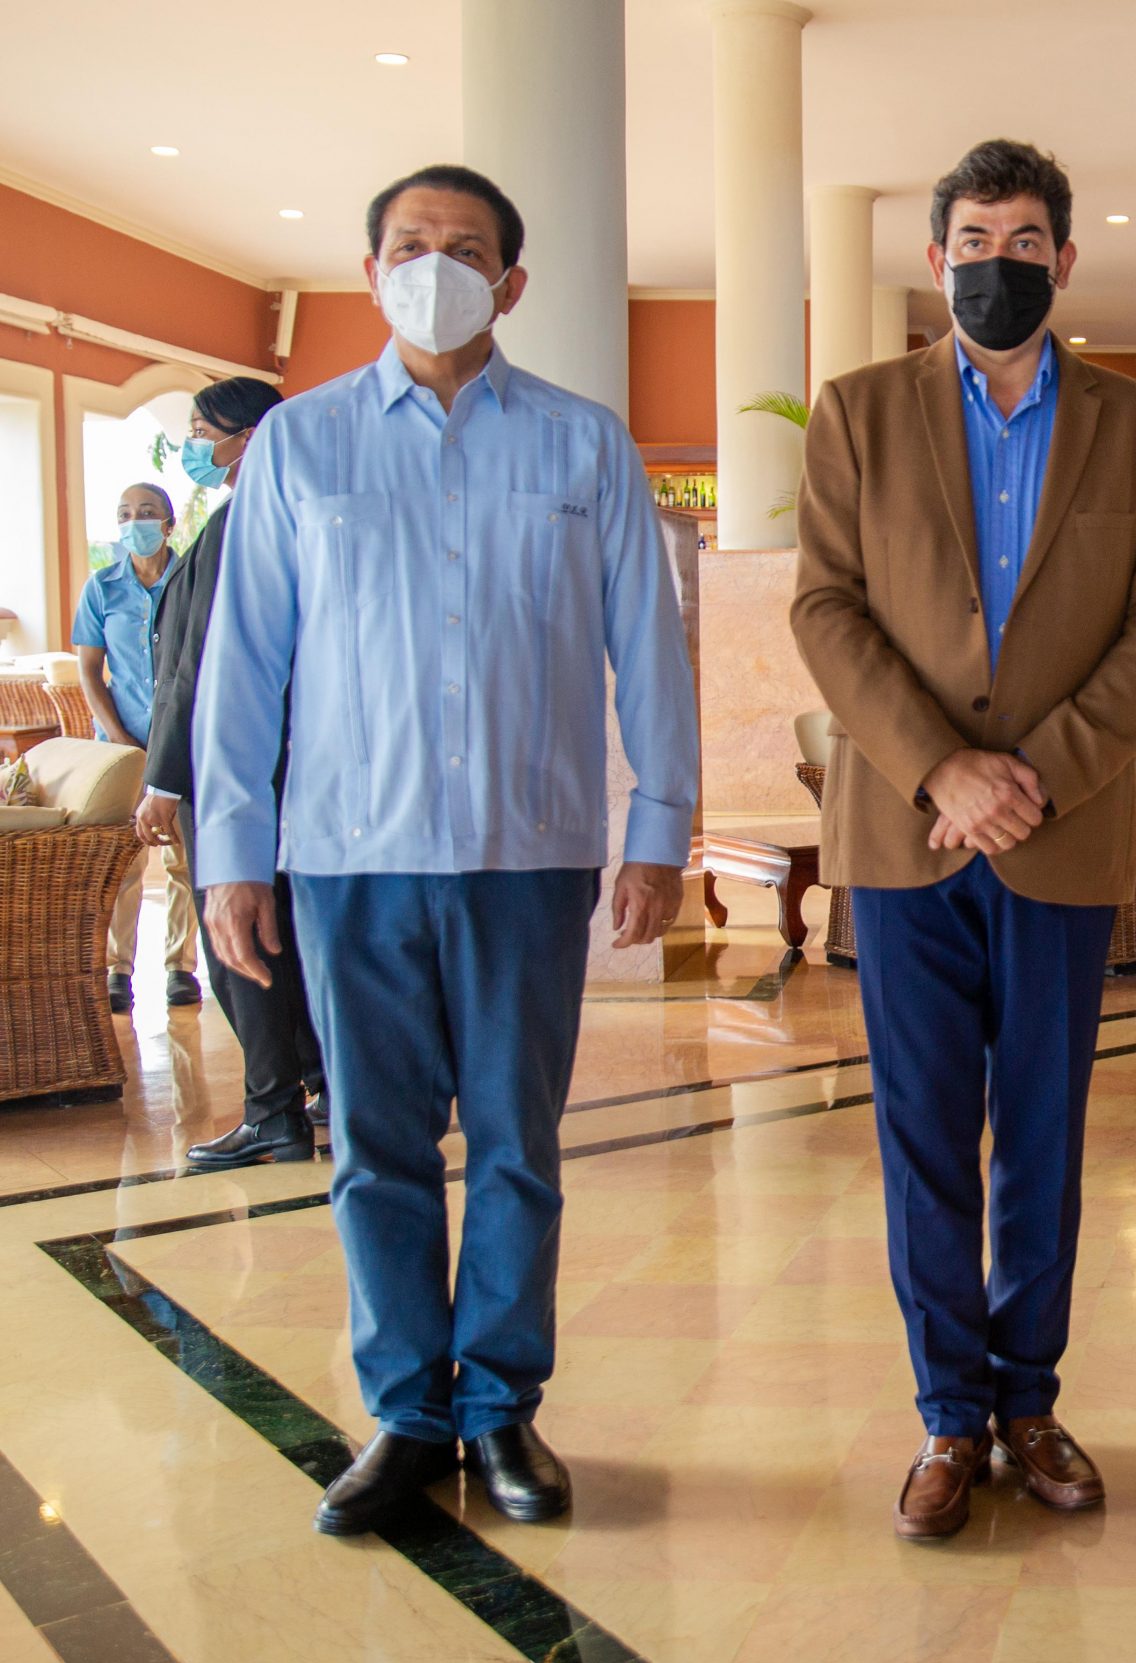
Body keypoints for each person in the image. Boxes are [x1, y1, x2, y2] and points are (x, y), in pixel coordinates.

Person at [193, 163, 699, 1537]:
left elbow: (647, 648)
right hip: (349, 854)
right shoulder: (299, 446)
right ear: (372, 273)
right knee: (377, 1143)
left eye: (465, 249)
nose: (436, 267)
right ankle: (409, 1412)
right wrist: (231, 851)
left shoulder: (584, 444)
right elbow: (244, 663)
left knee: (519, 1143)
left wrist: (659, 827)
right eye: (411, 245)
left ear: (510, 284)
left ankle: (501, 1405)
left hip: (529, 852)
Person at [790, 139, 1136, 1542]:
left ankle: (1030, 1399)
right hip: (908, 838)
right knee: (922, 1138)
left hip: (1059, 838)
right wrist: (941, 769)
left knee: (1041, 1133)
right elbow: (826, 608)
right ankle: (947, 1417)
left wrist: (1035, 778)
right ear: (937, 257)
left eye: (1025, 241)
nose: (998, 263)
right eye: (975, 239)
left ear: (1064, 260)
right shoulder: (858, 413)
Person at [135, 378, 333, 1166]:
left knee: (238, 943)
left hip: (229, 767)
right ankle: (321, 1084)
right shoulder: (280, 516)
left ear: (249, 437)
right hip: (275, 765)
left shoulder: (240, 524)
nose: (190, 445)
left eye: (200, 430)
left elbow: (201, 663)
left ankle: (272, 1108)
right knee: (277, 934)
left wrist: (164, 779)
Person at [73, 482, 201, 1013]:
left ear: (168, 524)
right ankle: (117, 969)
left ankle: (180, 966)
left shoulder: (191, 578)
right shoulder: (102, 588)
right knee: (123, 863)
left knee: (183, 860)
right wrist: (124, 743)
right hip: (121, 749)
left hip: (183, 744)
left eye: (146, 512)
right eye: (125, 513)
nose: (135, 521)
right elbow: (89, 671)